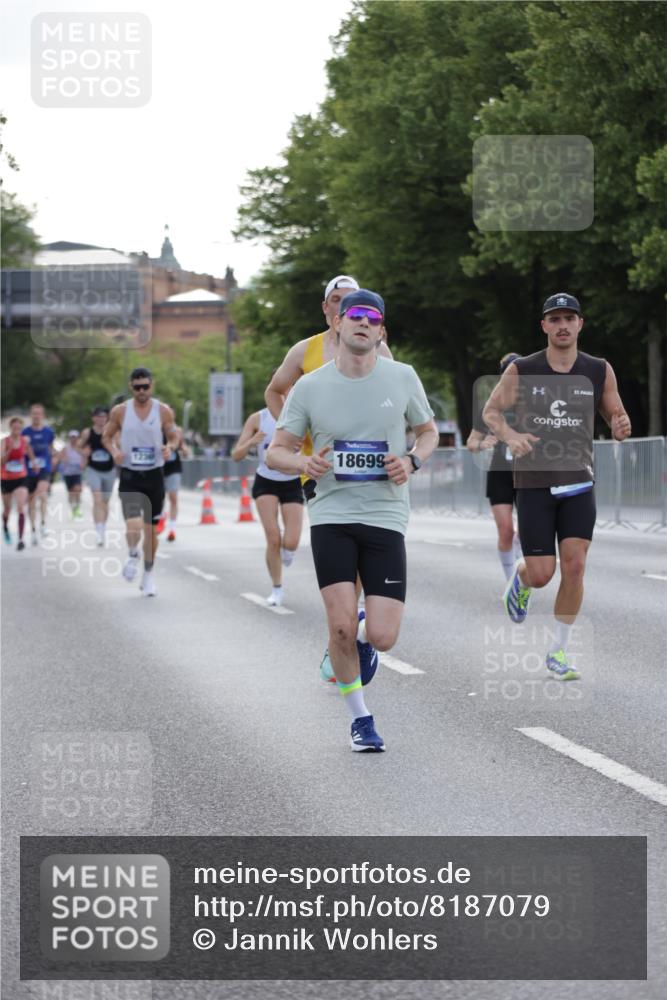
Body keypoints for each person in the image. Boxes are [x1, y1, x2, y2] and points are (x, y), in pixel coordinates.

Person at [267, 290, 438, 752]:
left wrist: (413, 460)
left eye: (373, 318)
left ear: (381, 331)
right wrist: (304, 464)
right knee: (338, 626)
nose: (364, 322)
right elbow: (276, 452)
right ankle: (361, 719)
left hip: (385, 514)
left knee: (382, 637)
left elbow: (428, 433)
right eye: (355, 315)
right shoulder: (310, 386)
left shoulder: (402, 377)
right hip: (332, 514)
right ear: (338, 324)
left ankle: (364, 633)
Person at [483, 293, 632, 681]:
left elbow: (616, 415)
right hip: (534, 484)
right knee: (542, 573)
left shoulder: (598, 369)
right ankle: (521, 577)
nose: (563, 325)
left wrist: (621, 425)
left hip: (578, 483)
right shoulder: (523, 369)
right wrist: (511, 435)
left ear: (580, 323)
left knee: (576, 567)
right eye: (555, 319)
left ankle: (559, 650)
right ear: (544, 326)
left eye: (569, 318)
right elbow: (491, 412)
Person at [265, 275, 394, 680]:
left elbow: (394, 399)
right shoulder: (305, 350)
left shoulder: (378, 347)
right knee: (341, 554)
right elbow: (274, 390)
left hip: (368, 467)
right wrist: (294, 431)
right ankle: (341, 635)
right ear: (326, 309)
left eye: (352, 300)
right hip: (320, 468)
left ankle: (344, 635)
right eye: (336, 300)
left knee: (360, 559)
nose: (344, 306)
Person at [102, 367, 179, 597]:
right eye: (137, 387)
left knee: (151, 531)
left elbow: (174, 436)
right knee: (134, 525)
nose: (142, 391)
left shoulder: (163, 411)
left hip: (154, 475)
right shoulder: (120, 411)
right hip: (130, 475)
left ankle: (148, 575)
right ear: (131, 387)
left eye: (145, 386)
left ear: (151, 386)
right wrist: (114, 451)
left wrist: (170, 447)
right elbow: (106, 436)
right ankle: (133, 553)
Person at [232, 407, 304, 607]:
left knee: (291, 542)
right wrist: (251, 442)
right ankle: (276, 588)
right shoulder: (258, 418)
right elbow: (236, 455)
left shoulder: (300, 413)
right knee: (273, 538)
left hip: (292, 480)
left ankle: (287, 550)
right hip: (266, 481)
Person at [466, 353, 522, 580]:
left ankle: (522, 568)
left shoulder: (534, 405)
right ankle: (511, 581)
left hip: (529, 474)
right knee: (506, 530)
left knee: (528, 532)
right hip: (500, 474)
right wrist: (482, 444)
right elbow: (471, 442)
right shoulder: (491, 408)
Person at [79, 406, 117, 547]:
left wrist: (116, 449)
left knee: (105, 502)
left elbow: (120, 446)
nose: (101, 419)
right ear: (93, 418)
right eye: (98, 416)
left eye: (104, 416)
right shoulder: (87, 432)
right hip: (93, 469)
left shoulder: (112, 431)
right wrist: (84, 452)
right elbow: (78, 446)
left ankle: (102, 526)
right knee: (97, 499)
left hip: (109, 470)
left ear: (107, 418)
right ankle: (98, 532)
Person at [22, 403, 56, 544]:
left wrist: (54, 459)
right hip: (29, 470)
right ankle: (33, 530)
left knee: (42, 494)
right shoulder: (25, 432)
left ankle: (43, 524)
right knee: (31, 500)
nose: (36, 416)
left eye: (39, 414)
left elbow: (51, 448)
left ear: (43, 415)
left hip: (44, 469)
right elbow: (22, 449)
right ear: (31, 415)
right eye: (34, 413)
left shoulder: (49, 432)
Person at [2, 417, 36, 551]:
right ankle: (5, 527)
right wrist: (9, 450)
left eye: (19, 428)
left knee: (21, 507)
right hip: (6, 478)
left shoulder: (24, 441)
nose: (16, 430)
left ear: (21, 429)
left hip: (21, 477)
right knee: (7, 510)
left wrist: (34, 464)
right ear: (10, 428)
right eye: (14, 427)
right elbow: (1, 461)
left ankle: (21, 539)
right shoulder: (4, 442)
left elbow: (30, 453)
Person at [161, 426, 187, 542]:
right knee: (159, 498)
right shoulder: (156, 429)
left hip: (174, 469)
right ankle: (161, 517)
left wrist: (184, 449)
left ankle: (172, 528)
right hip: (159, 469)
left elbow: (184, 450)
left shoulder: (177, 431)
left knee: (173, 498)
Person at [52, 431, 84, 519]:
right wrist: (61, 460)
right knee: (71, 492)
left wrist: (83, 463)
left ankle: (77, 508)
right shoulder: (66, 448)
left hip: (77, 472)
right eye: (72, 437)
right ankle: (73, 509)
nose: (73, 439)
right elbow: (59, 457)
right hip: (67, 473)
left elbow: (84, 456)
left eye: (75, 437)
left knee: (77, 489)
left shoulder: (80, 447)